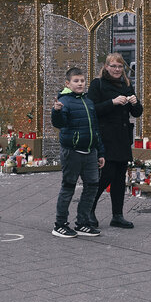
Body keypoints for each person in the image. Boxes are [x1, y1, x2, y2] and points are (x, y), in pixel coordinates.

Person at [87, 53, 142, 229]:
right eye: (113, 66)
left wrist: (135, 102)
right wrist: (112, 102)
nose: (117, 70)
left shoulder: (126, 84)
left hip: (122, 138)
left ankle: (117, 215)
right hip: (105, 137)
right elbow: (92, 109)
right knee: (106, 175)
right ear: (106, 67)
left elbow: (137, 112)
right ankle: (88, 210)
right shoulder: (98, 84)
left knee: (119, 177)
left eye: (120, 67)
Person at [51, 67, 105, 239]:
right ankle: (60, 224)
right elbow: (59, 124)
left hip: (90, 152)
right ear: (68, 83)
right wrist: (57, 111)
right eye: (76, 81)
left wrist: (100, 152)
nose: (80, 83)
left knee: (92, 186)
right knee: (68, 187)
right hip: (72, 152)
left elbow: (95, 129)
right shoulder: (64, 101)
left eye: (82, 80)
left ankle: (83, 222)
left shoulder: (88, 101)